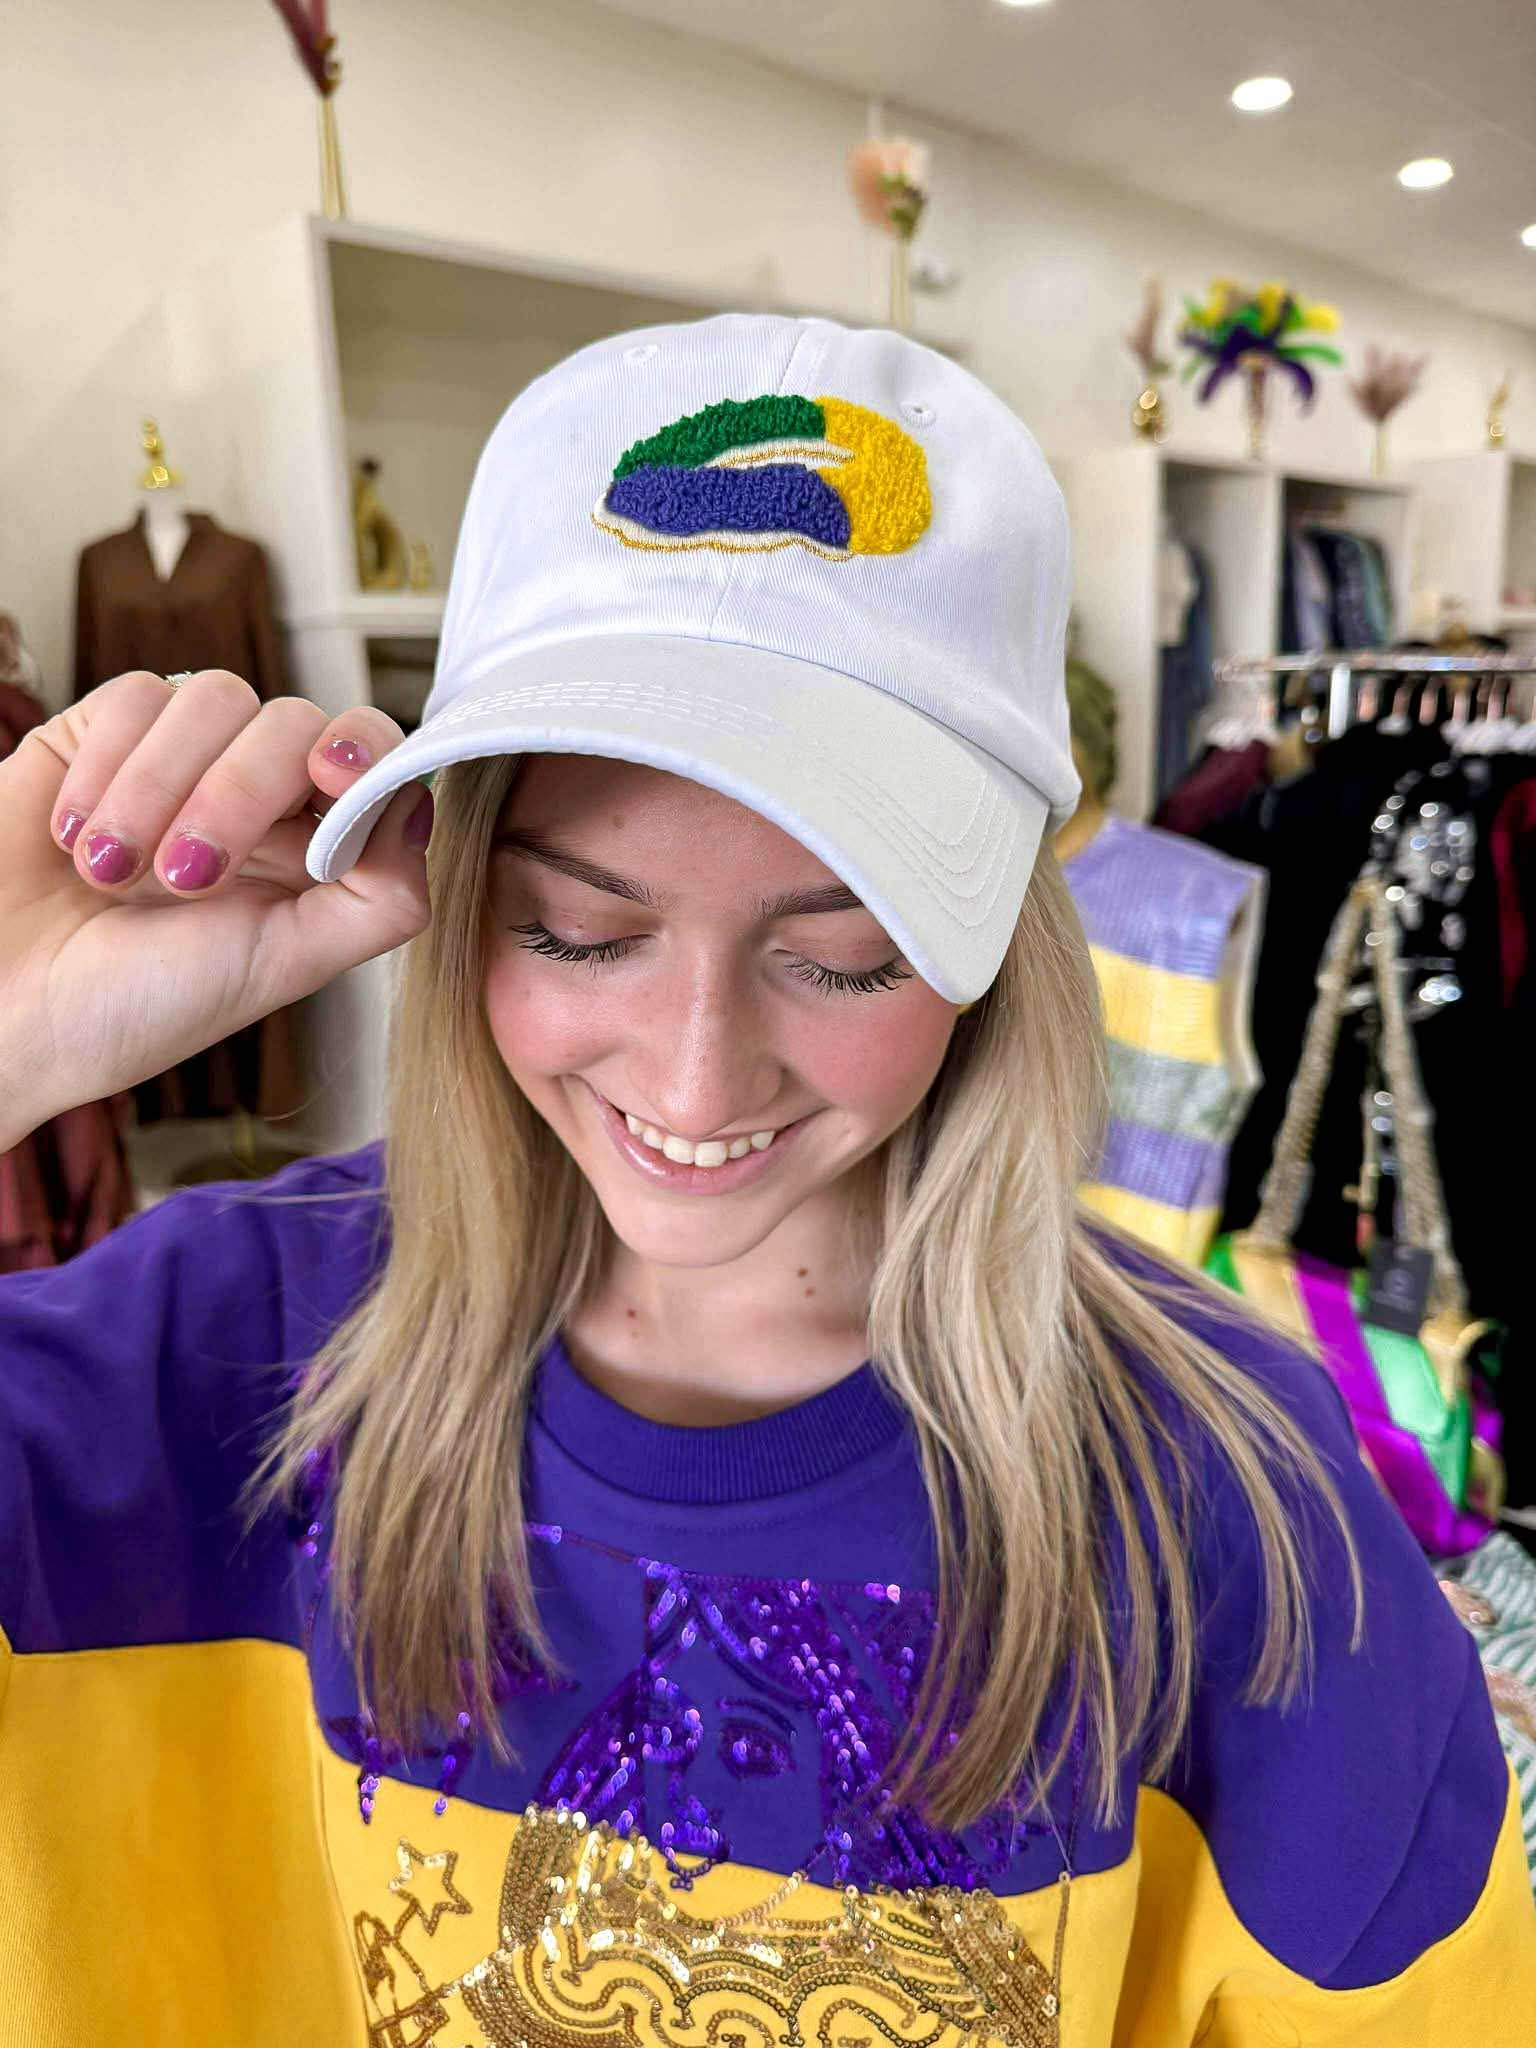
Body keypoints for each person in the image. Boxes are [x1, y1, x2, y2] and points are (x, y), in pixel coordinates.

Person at [1, 314, 1531, 2046]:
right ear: (460, 898)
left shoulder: (1230, 1496)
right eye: (578, 930)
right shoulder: (197, 1353)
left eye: (845, 956)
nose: (694, 1080)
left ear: (993, 960)